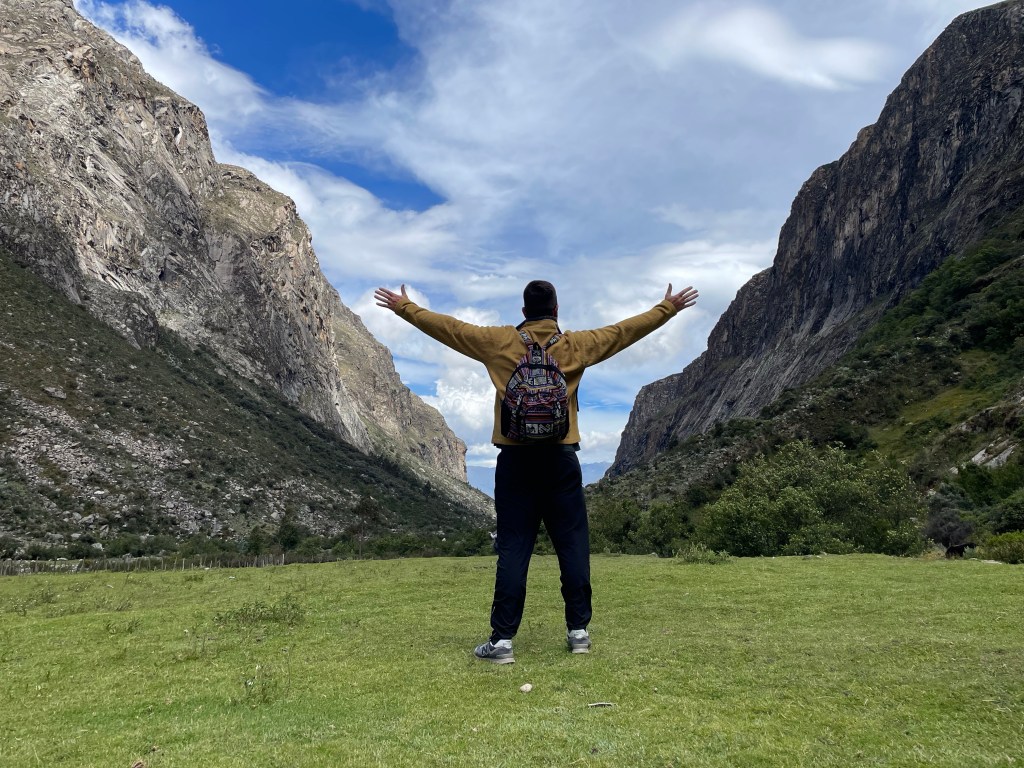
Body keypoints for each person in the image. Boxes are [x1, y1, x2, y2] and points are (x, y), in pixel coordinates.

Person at [375, 280, 699, 663]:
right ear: (556, 311)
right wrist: (667, 308)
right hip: (561, 459)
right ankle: (578, 633)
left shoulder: (498, 342)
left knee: (514, 549)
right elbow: (622, 332)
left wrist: (405, 308)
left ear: (524, 311)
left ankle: (502, 641)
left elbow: (451, 329)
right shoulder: (576, 345)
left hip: (515, 461)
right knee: (572, 545)